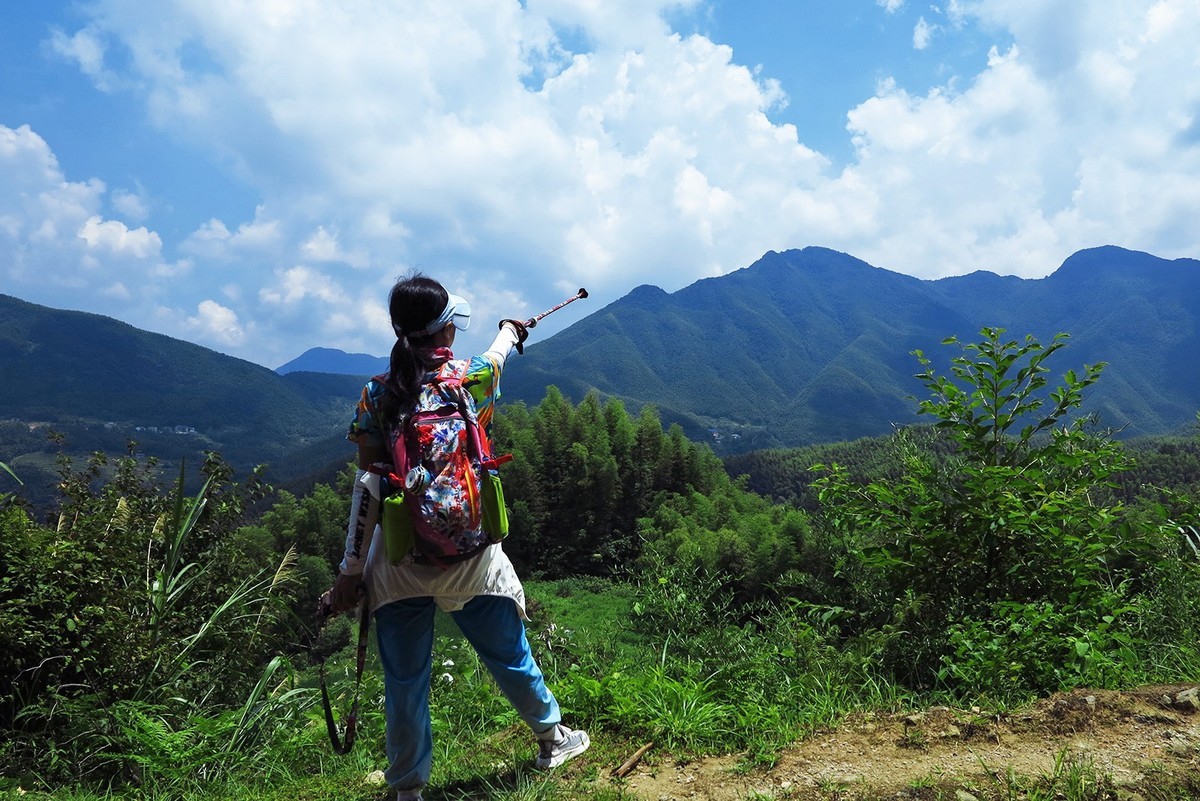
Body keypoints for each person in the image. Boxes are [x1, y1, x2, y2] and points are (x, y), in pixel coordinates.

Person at [322, 273, 589, 801]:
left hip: (398, 559)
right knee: (509, 655)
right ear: (447, 329)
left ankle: (407, 789)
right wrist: (510, 333)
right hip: (472, 557)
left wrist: (351, 570)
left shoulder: (377, 393)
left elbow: (369, 484)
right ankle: (551, 738)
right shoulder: (473, 377)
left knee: (404, 681)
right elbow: (500, 353)